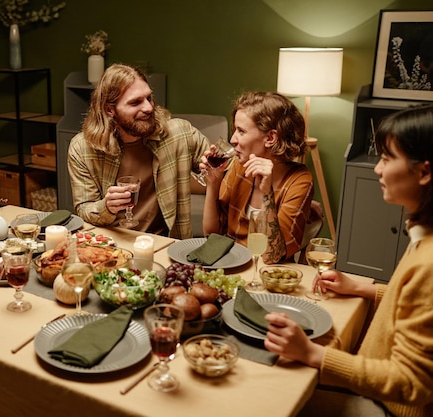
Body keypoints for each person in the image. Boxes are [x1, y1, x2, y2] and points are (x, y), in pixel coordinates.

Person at [265, 105, 433, 417]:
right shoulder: (424, 235)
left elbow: (411, 383)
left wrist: (312, 353)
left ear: (424, 172)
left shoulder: (429, 264)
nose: (377, 170)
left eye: (386, 158)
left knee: (269, 398)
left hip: (389, 407)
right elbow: (417, 302)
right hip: (372, 384)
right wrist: (362, 288)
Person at [67, 63, 210, 239]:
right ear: (109, 109)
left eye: (149, 98)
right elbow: (84, 208)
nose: (148, 108)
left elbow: (226, 168)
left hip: (166, 244)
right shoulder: (82, 148)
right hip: (113, 245)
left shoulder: (180, 133)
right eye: (135, 102)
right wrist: (107, 207)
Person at [202, 91, 314, 263]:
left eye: (241, 131)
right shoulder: (239, 167)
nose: (232, 139)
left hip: (269, 274)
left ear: (270, 138)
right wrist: (213, 183)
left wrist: (266, 192)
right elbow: (212, 236)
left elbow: (272, 257)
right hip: (231, 263)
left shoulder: (300, 181)